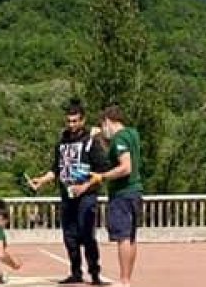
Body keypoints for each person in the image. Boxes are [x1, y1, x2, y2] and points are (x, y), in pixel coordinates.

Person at [28, 99, 107, 285]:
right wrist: (41, 181)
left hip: (86, 196)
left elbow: (102, 170)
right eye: (69, 121)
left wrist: (86, 185)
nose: (71, 125)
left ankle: (94, 273)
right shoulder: (61, 143)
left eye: (75, 121)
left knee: (87, 235)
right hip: (66, 196)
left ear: (82, 121)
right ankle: (75, 272)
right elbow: (55, 170)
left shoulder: (90, 142)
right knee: (69, 236)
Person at [70, 105, 142, 287]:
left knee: (123, 237)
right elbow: (115, 150)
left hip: (123, 193)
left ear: (107, 121)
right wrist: (100, 138)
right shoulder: (131, 134)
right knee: (131, 237)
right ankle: (128, 278)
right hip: (135, 191)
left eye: (103, 126)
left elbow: (126, 167)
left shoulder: (119, 138)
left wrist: (102, 176)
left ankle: (125, 280)